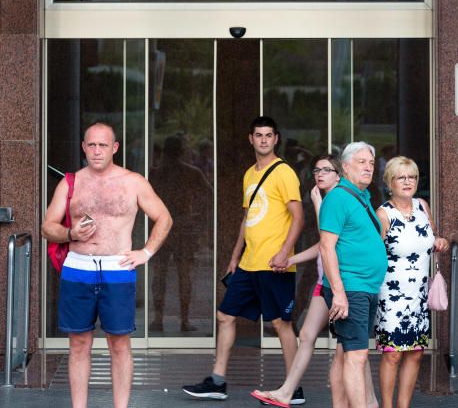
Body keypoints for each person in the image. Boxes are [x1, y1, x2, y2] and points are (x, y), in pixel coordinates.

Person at [41, 122, 173, 408]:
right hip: (78, 268)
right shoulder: (70, 182)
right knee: (78, 343)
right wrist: (70, 234)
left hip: (117, 268)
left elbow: (164, 217)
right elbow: (47, 227)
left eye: (103, 145)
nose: (97, 150)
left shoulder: (133, 181)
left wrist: (146, 253)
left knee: (119, 344)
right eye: (91, 144)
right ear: (83, 147)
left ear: (114, 148)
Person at [182, 116, 305, 402]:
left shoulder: (284, 172)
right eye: (258, 135)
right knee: (225, 315)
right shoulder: (250, 174)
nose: (263, 140)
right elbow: (247, 218)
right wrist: (235, 256)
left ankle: (294, 387)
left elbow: (299, 218)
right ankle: (217, 381)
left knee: (280, 324)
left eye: (268, 135)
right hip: (249, 263)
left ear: (276, 139)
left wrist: (285, 252)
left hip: (275, 264)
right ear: (251, 139)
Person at [251, 154, 341, 407]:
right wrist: (291, 260)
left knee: (348, 348)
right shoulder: (327, 198)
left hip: (342, 282)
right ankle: (287, 392)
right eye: (316, 170)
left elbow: (329, 237)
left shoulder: (337, 199)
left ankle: (361, 401)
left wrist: (317, 205)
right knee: (307, 333)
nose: (319, 174)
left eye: (327, 170)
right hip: (325, 281)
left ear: (338, 174)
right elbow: (321, 244)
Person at [374, 156, 449, 408]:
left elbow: (430, 238)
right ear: (389, 183)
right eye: (400, 177)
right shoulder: (383, 214)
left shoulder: (422, 206)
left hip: (418, 293)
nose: (407, 182)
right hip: (391, 292)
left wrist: (440, 241)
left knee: (416, 353)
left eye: (412, 177)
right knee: (393, 354)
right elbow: (373, 254)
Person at [319, 142, 388, 408]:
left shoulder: (362, 198)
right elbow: (326, 246)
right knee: (356, 355)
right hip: (350, 287)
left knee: (349, 353)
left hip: (365, 287)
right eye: (361, 162)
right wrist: (338, 293)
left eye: (371, 163)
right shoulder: (338, 197)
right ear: (345, 167)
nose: (368, 167)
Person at [149, 134, 210, 333]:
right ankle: (183, 320)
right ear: (182, 152)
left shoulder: (156, 174)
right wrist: (197, 217)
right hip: (182, 226)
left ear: (165, 152)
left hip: (163, 227)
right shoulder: (190, 172)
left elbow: (208, 196)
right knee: (183, 274)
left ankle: (159, 318)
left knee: (160, 273)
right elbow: (209, 196)